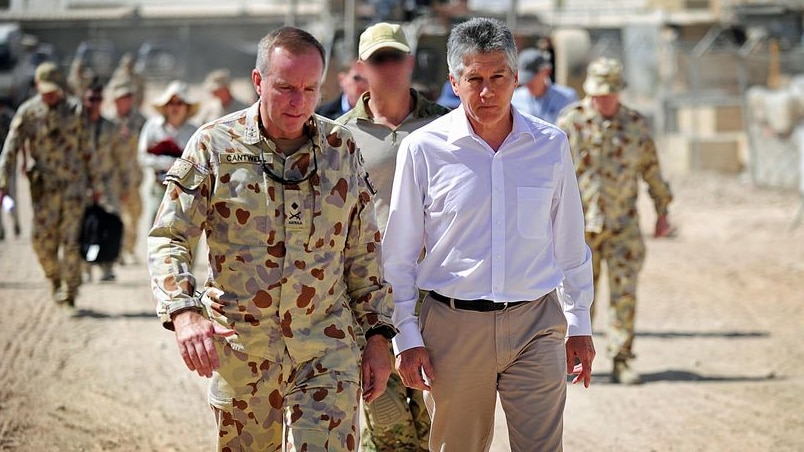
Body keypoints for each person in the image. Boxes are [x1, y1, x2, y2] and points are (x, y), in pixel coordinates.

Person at [147, 26, 395, 451]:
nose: (298, 102)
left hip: (326, 349)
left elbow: (363, 254)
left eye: (309, 89)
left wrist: (378, 335)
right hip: (245, 352)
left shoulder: (341, 148)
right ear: (258, 81)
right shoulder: (214, 146)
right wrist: (185, 312)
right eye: (284, 88)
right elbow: (169, 235)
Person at [382, 17, 596, 451]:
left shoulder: (550, 145)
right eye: (473, 78)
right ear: (453, 83)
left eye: (498, 77)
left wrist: (579, 322)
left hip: (538, 324)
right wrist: (406, 336)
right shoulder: (423, 149)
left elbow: (571, 242)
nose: (487, 91)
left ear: (516, 78)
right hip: (453, 329)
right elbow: (398, 257)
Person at [337, 21, 449, 451]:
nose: (390, 67)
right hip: (371, 291)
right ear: (362, 67)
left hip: (436, 288)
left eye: (397, 57)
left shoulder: (446, 125)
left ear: (409, 61)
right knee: (385, 418)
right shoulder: (340, 134)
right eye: (379, 59)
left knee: (438, 413)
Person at [556, 57, 674, 385]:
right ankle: (576, 359)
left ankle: (622, 359)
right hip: (580, 230)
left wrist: (662, 211)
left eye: (607, 94)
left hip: (623, 226)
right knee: (578, 296)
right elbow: (551, 177)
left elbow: (651, 170)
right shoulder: (570, 122)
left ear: (618, 92)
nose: (601, 100)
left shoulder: (635, 125)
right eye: (596, 94)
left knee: (624, 295)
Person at [0, 62, 99, 306]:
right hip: (45, 190)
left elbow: (89, 150)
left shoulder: (76, 110)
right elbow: (10, 148)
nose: (50, 95)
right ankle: (54, 277)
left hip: (74, 187)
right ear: (36, 86)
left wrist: (96, 185)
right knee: (42, 241)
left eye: (53, 90)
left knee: (71, 240)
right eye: (45, 90)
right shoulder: (29, 112)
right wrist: (3, 181)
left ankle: (71, 289)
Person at [137, 80, 198, 225]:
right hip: (159, 188)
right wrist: (165, 163)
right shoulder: (153, 127)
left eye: (179, 103)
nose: (175, 107)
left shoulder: (195, 131)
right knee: (156, 230)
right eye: (171, 103)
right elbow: (142, 157)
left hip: (185, 192)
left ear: (187, 107)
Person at [81, 79, 124, 282]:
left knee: (109, 224)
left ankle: (107, 266)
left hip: (107, 184)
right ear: (84, 100)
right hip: (82, 184)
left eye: (98, 99)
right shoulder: (77, 127)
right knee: (84, 225)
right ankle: (85, 267)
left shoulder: (110, 128)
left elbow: (119, 157)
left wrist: (124, 184)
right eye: (90, 99)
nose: (94, 103)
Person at [109, 79, 147, 264]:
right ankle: (120, 251)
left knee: (135, 214)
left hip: (134, 177)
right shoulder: (109, 123)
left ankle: (130, 248)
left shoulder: (140, 120)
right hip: (114, 178)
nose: (123, 101)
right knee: (117, 215)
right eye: (120, 98)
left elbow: (149, 143)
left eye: (127, 98)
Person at [511, 47, 577, 124]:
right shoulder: (513, 99)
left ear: (546, 71)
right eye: (525, 79)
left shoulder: (567, 98)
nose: (528, 83)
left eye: (531, 77)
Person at [0, 102, 20, 241]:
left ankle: (15, 221)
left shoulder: (8, 117)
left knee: (10, 194)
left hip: (8, 164)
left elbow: (18, 138)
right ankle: (2, 229)